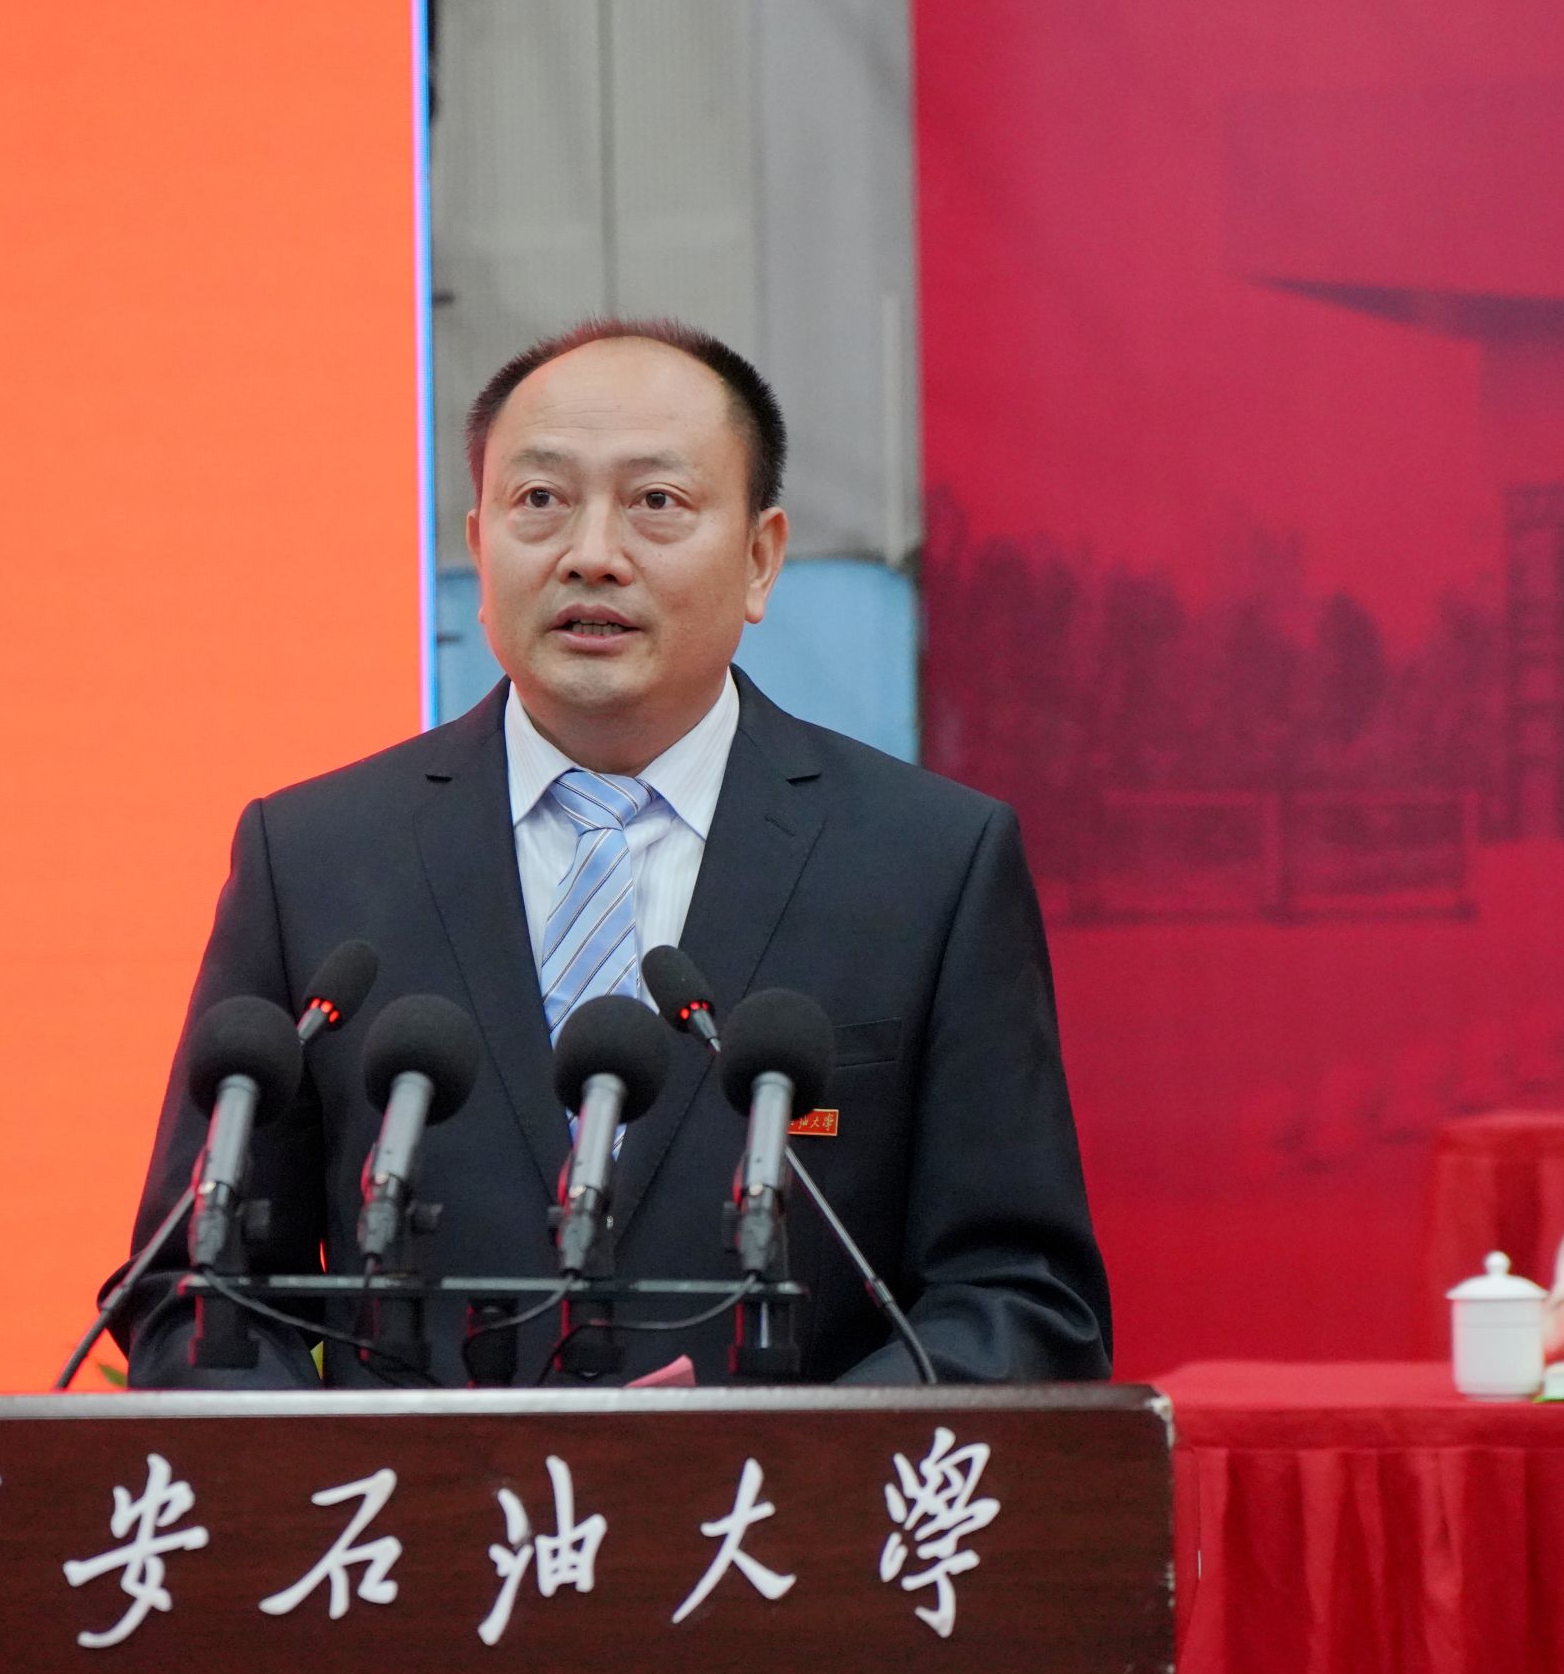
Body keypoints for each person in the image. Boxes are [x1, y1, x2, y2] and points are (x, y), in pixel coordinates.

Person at [113, 318, 1111, 1389]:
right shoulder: (312, 856)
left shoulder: (928, 864)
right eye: (540, 498)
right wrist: (372, 1468)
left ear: (760, 558)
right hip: (410, 1502)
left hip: (777, 1499)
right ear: (479, 545)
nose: (591, 552)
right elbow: (193, 1294)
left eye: (656, 502)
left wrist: (782, 1453)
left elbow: (1020, 1300)